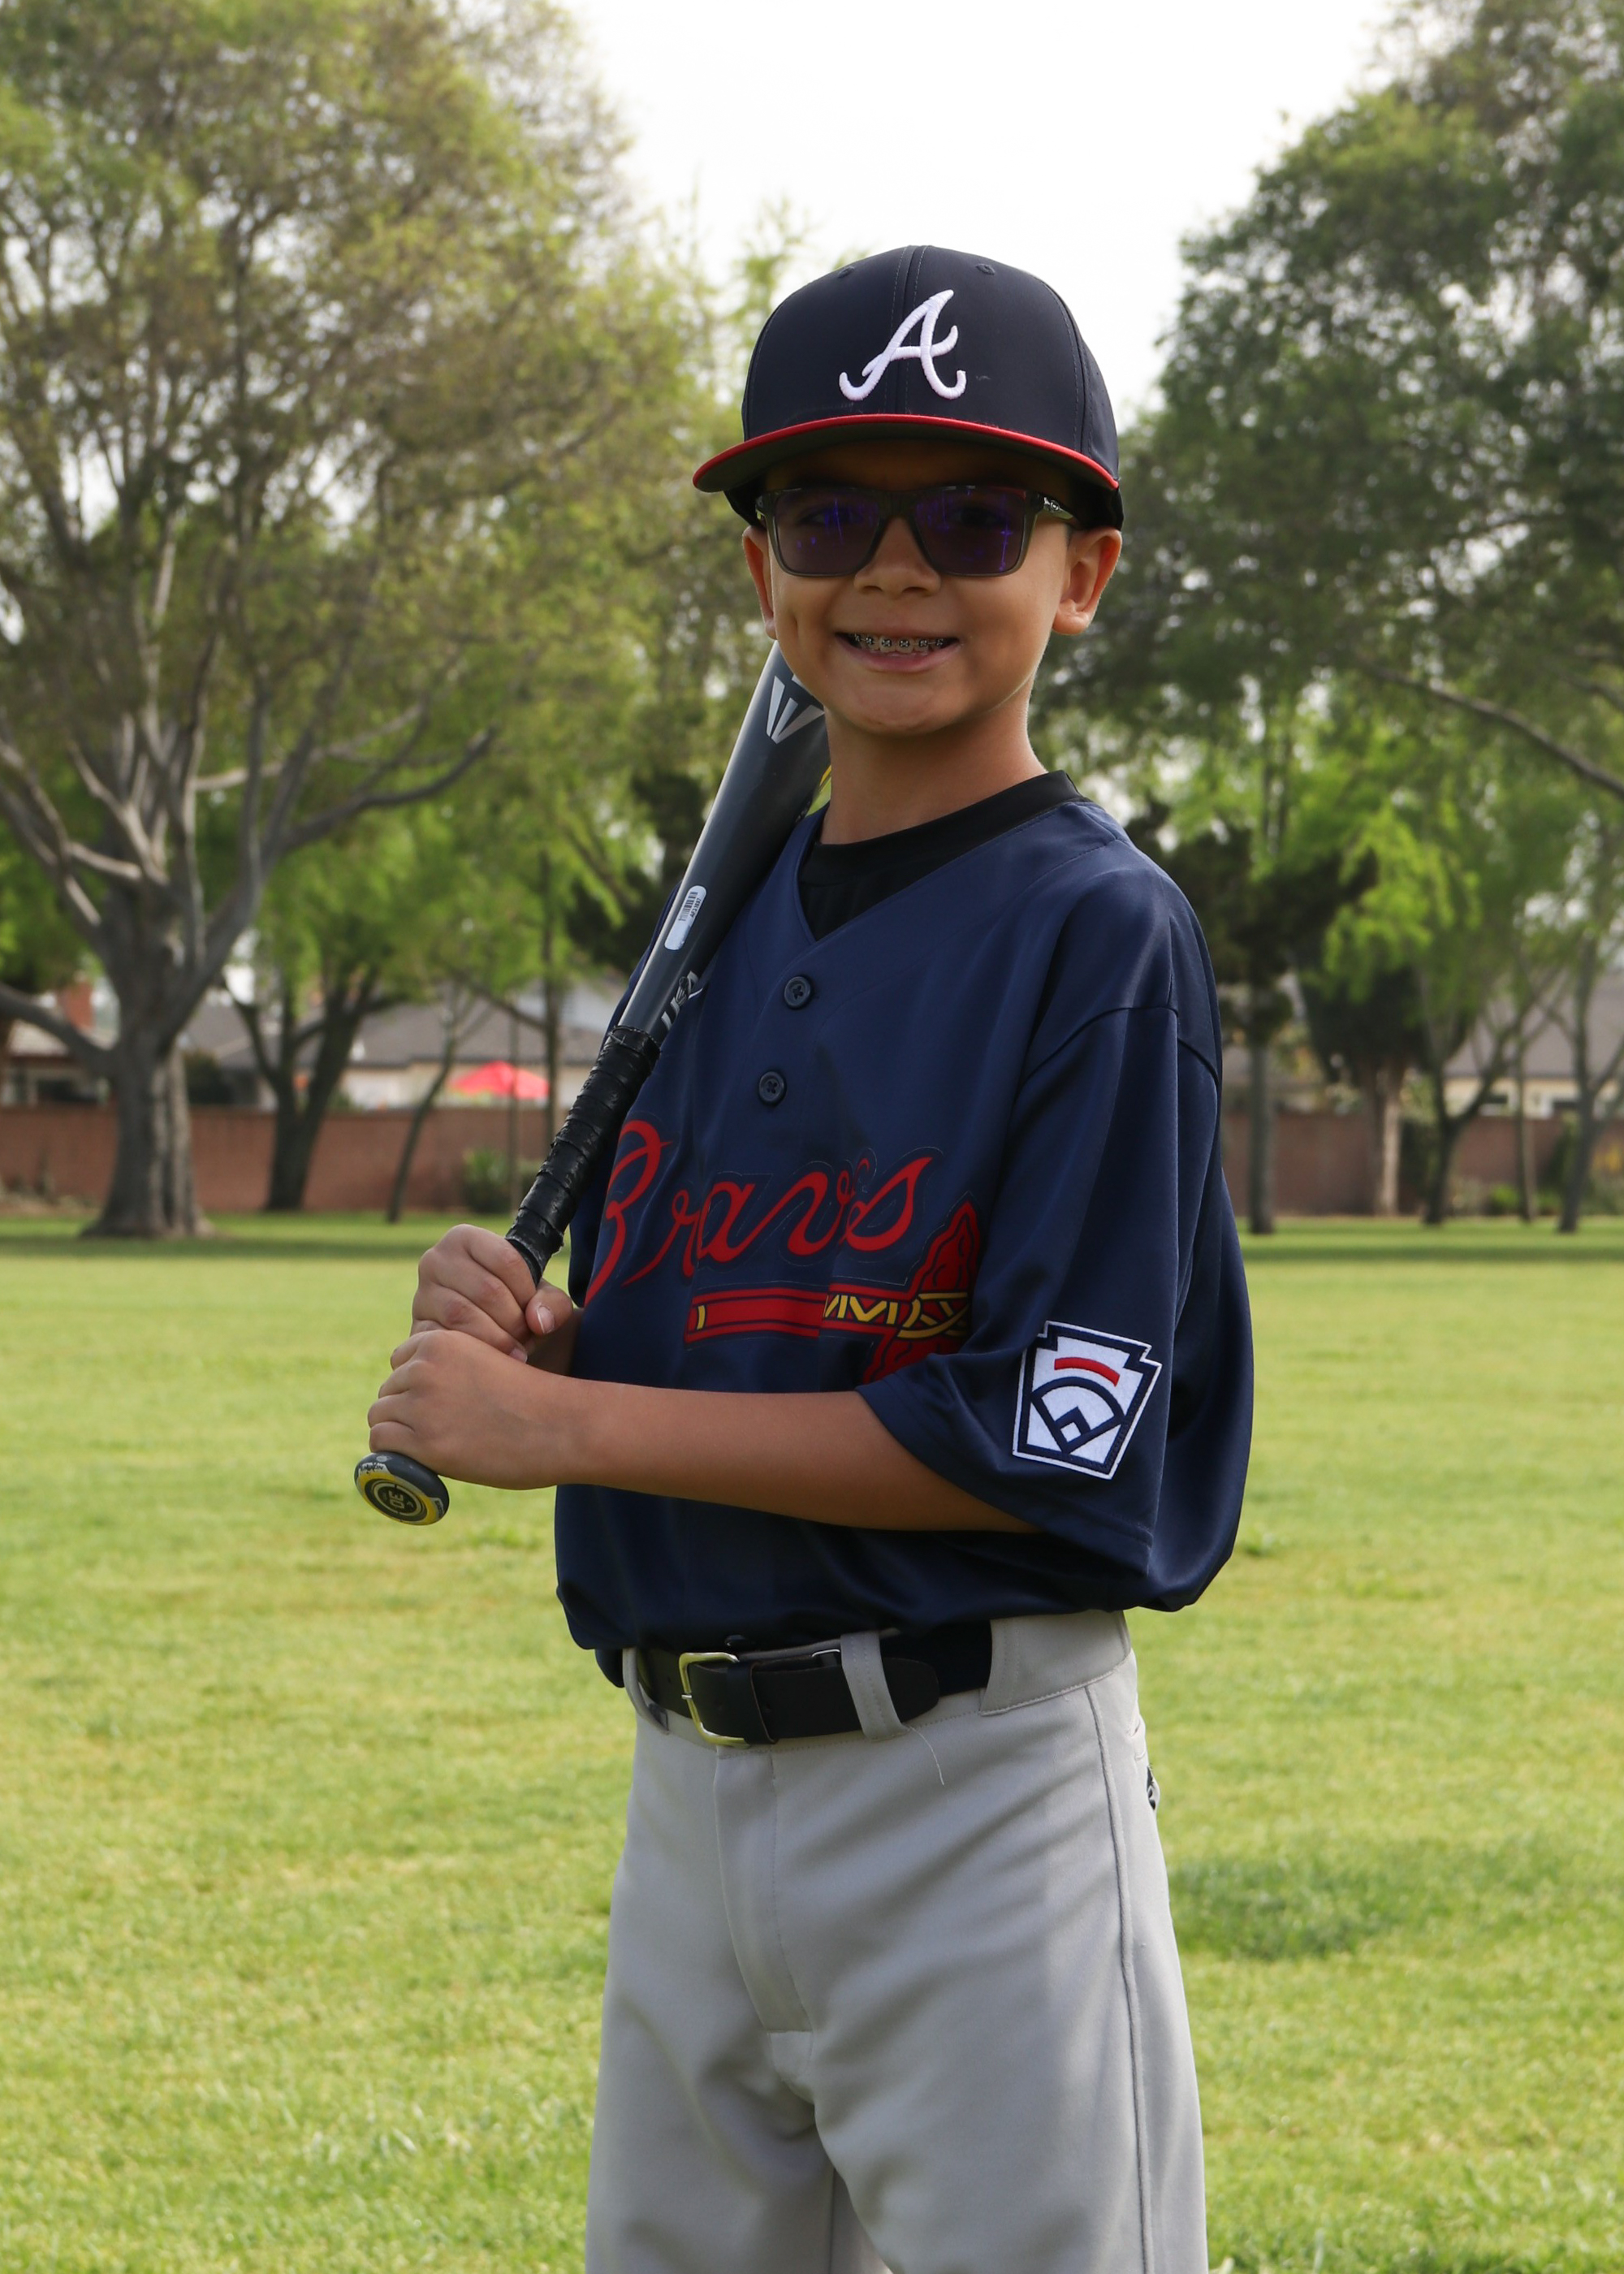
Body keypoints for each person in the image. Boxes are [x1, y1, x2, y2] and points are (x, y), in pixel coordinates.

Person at [369, 244, 1252, 2274]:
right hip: (684, 1787)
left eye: (977, 516)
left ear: (1084, 574)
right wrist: (547, 1333)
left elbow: (1042, 1437)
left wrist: (563, 1423)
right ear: (761, 564)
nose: (897, 569)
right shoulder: (726, 930)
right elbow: (733, 1341)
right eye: (830, 512)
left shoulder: (1099, 933)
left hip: (971, 1791)